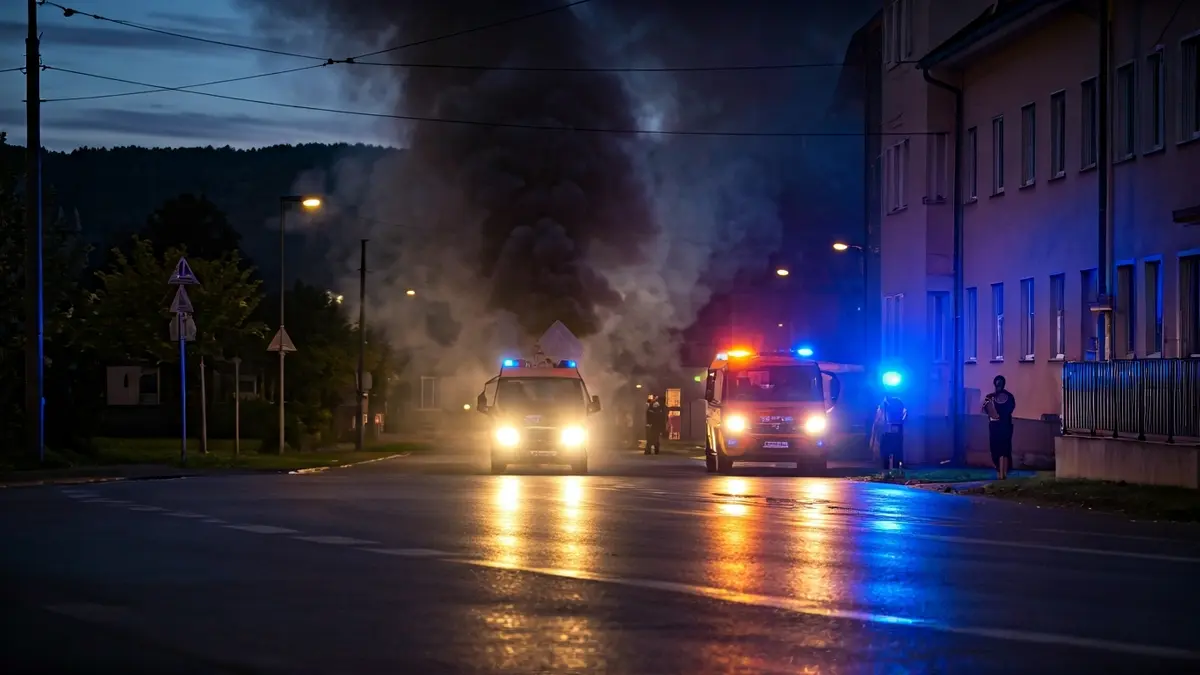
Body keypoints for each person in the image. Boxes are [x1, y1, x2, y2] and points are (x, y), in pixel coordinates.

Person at [982, 375, 1016, 479]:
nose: (998, 385)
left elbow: (1009, 409)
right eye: (997, 383)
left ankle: (1003, 474)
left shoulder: (1009, 396)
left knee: (1004, 451)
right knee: (996, 451)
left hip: (1005, 427)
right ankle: (1000, 471)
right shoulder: (990, 397)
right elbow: (984, 410)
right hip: (994, 428)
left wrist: (999, 415)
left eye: (1000, 383)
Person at [871, 392, 907, 471]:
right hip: (886, 432)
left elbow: (904, 414)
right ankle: (887, 472)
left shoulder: (897, 403)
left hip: (895, 432)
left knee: (896, 453)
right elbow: (877, 420)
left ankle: (896, 471)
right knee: (885, 454)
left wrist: (900, 422)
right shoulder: (883, 405)